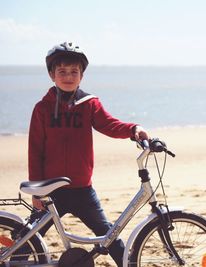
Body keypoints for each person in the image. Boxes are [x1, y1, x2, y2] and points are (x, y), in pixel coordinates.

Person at [28, 41, 149, 266]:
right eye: (62, 71)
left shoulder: (89, 104)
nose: (68, 76)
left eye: (74, 71)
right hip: (51, 191)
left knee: (109, 235)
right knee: (29, 238)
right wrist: (36, 190)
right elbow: (35, 151)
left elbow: (110, 125)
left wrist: (133, 129)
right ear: (52, 75)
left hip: (83, 190)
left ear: (81, 76)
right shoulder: (42, 108)